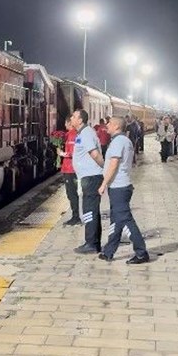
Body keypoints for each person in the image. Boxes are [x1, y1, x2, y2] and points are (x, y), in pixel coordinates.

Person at [98, 117, 150, 264]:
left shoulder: (118, 142)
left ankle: (141, 252)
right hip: (120, 186)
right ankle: (109, 251)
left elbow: (113, 165)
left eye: (109, 123)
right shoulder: (124, 141)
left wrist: (103, 184)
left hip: (119, 187)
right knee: (116, 220)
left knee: (126, 220)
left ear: (115, 126)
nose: (106, 125)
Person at [70, 109, 105, 254]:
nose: (71, 118)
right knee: (92, 210)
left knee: (89, 211)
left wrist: (106, 169)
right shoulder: (83, 133)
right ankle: (93, 242)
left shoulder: (86, 133)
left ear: (80, 120)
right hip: (88, 177)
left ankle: (91, 244)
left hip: (91, 178)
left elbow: (95, 154)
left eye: (73, 116)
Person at [54, 116, 81, 226]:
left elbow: (75, 152)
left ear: (70, 124)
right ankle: (75, 215)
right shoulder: (70, 135)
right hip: (68, 168)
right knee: (71, 194)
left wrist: (62, 154)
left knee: (72, 193)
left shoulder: (74, 135)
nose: (64, 126)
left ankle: (76, 217)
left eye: (66, 124)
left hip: (71, 169)